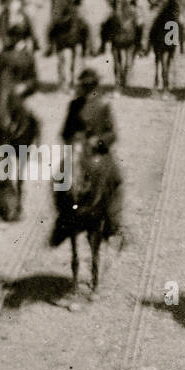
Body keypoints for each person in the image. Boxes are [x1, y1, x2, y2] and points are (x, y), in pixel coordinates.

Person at [61, 67, 123, 243]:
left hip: (98, 151)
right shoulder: (74, 105)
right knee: (60, 180)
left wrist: (99, 141)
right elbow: (65, 131)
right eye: (84, 85)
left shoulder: (103, 105)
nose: (87, 89)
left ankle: (113, 222)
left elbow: (112, 133)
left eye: (90, 86)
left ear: (95, 86)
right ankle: (62, 221)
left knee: (115, 178)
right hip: (78, 150)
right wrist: (73, 141)